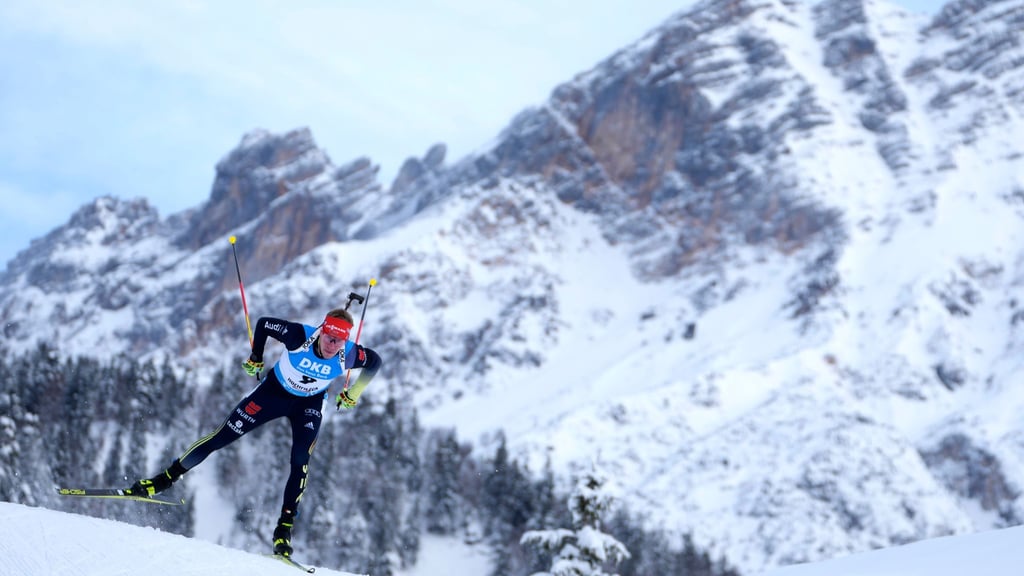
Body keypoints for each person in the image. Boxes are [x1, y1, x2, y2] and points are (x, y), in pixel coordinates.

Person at [128, 307, 382, 557]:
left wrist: (353, 393)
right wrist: (256, 356)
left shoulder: (349, 355)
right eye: (329, 337)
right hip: (272, 393)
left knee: (300, 462)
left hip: (309, 405)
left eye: (338, 341)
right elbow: (263, 324)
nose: (331, 344)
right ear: (322, 331)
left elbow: (375, 362)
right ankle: (164, 480)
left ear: (346, 341)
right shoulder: (299, 336)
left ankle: (283, 529)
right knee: (220, 437)